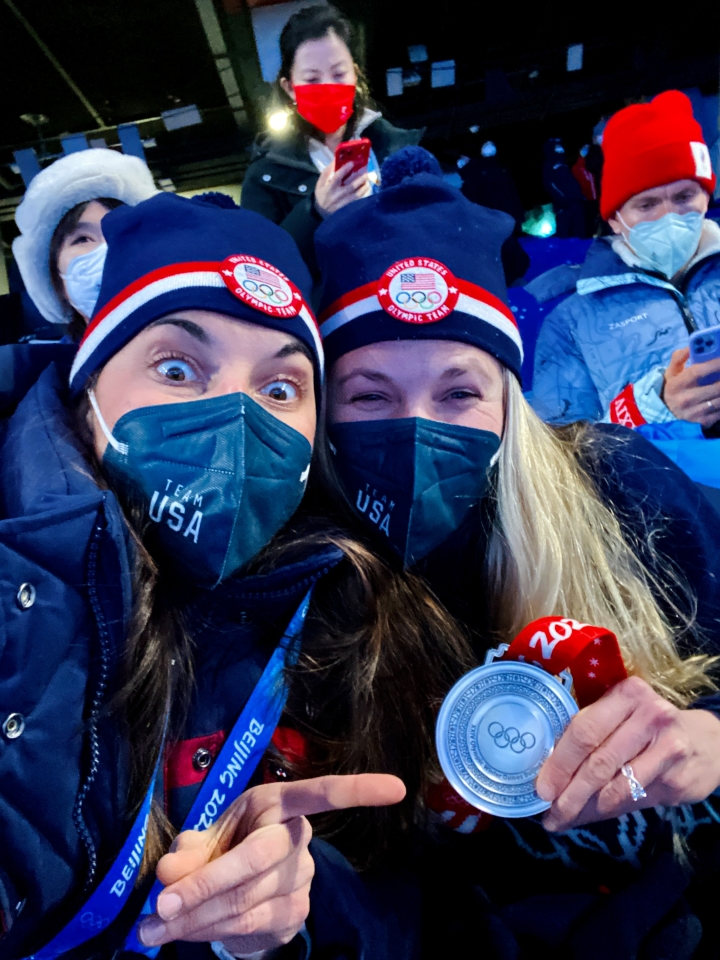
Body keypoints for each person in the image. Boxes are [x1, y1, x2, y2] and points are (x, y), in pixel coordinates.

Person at [0, 191, 474, 960]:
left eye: (280, 388)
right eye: (179, 368)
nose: (235, 418)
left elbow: (416, 908)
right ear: (87, 391)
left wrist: (290, 911)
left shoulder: (350, 620)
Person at [314, 146, 720, 958]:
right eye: (370, 395)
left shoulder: (619, 489)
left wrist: (713, 739)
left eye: (459, 390)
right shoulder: (303, 580)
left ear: (509, 399)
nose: (421, 425)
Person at [532, 91, 720, 429]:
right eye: (647, 205)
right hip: (663, 482)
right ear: (616, 219)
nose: (669, 215)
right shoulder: (571, 323)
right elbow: (560, 454)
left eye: (684, 196)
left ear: (706, 197)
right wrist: (652, 410)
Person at [240, 4, 422, 274]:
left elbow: (436, 231)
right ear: (290, 88)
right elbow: (260, 270)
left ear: (356, 76)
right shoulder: (264, 176)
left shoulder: (400, 150)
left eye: (339, 74)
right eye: (312, 79)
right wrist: (314, 212)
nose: (328, 87)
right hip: (327, 313)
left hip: (405, 298)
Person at [12, 147, 157, 341]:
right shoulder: (28, 370)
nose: (108, 250)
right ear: (56, 280)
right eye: (82, 239)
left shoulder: (202, 350)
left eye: (123, 232)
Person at [459, 140, 530, 285]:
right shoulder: (491, 171)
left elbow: (506, 194)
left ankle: (508, 280)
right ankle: (508, 280)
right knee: (507, 252)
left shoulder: (480, 174)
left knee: (507, 252)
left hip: (495, 220)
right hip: (499, 220)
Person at [542, 137, 588, 239]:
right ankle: (565, 252)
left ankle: (582, 251)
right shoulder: (550, 165)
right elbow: (549, 185)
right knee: (564, 233)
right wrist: (563, 199)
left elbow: (571, 182)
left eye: (560, 146)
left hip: (575, 202)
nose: (560, 148)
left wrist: (579, 195)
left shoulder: (563, 164)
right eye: (557, 146)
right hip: (564, 205)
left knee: (580, 231)